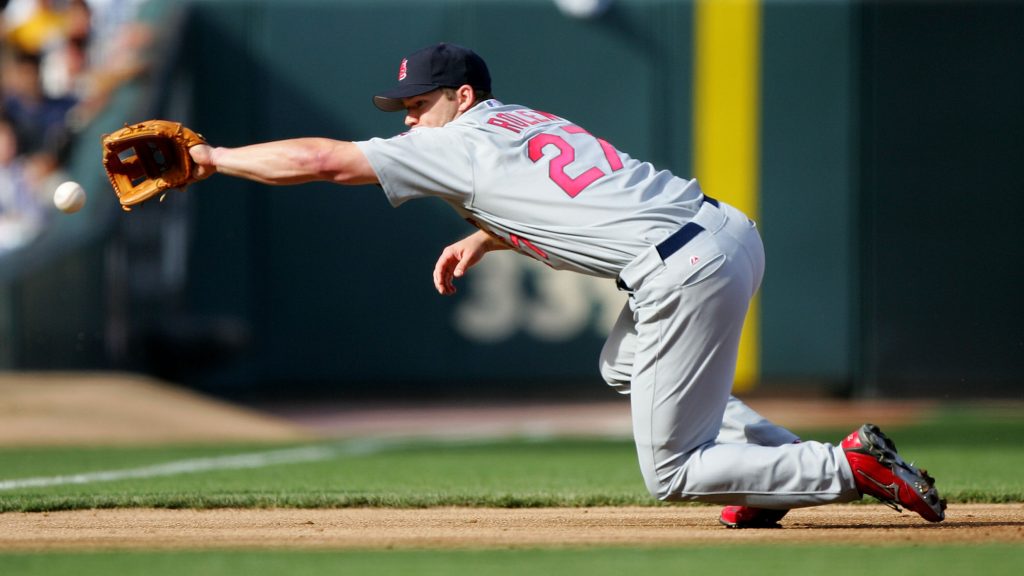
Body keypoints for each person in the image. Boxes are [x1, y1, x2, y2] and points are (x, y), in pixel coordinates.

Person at [187, 43, 945, 527]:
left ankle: (844, 468)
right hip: (723, 233)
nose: (413, 122)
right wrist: (484, 234)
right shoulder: (519, 120)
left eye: (420, 105)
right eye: (406, 109)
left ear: (463, 96)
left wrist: (213, 158)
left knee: (674, 474)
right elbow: (573, 191)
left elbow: (323, 161)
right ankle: (776, 480)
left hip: (680, 269)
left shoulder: (456, 143)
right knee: (622, 366)